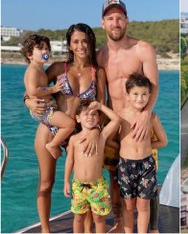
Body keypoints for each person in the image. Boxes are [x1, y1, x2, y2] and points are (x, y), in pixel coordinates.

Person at [24, 23, 106, 232]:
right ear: (69, 45)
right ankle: (45, 229)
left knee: (85, 185)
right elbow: (34, 90)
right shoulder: (58, 68)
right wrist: (27, 101)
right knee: (45, 184)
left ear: (91, 43)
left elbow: (102, 108)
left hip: (80, 135)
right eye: (76, 41)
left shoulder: (98, 72)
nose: (81, 46)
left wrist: (96, 132)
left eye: (85, 41)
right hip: (50, 129)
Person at [97, 0, 159, 232]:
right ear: (103, 23)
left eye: (120, 18)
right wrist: (30, 98)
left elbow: (154, 85)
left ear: (127, 21)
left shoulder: (142, 49)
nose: (116, 22)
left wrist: (146, 114)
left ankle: (152, 228)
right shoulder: (99, 56)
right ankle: (121, 224)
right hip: (115, 125)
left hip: (140, 122)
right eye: (110, 18)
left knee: (148, 178)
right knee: (116, 178)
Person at [117, 74, 167, 233]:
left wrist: (145, 145)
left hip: (146, 165)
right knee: (129, 205)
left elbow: (163, 141)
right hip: (126, 166)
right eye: (136, 94)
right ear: (127, 95)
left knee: (144, 205)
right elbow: (111, 138)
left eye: (144, 94)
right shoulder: (120, 116)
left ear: (150, 95)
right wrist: (123, 147)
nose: (140, 98)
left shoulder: (152, 118)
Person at [64, 100, 120, 233]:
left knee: (99, 218)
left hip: (97, 186)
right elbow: (70, 160)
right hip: (78, 185)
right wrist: (66, 180)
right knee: (78, 217)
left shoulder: (102, 137)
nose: (90, 117)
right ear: (78, 118)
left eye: (94, 114)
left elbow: (116, 120)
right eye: (86, 114)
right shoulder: (74, 139)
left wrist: (100, 106)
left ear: (99, 118)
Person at [22, 34, 75, 159]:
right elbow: (32, 91)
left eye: (47, 48)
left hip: (47, 108)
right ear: (29, 55)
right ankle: (52, 145)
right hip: (43, 110)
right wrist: (53, 89)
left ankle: (59, 141)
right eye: (40, 49)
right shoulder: (33, 70)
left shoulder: (40, 69)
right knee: (69, 124)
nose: (45, 51)